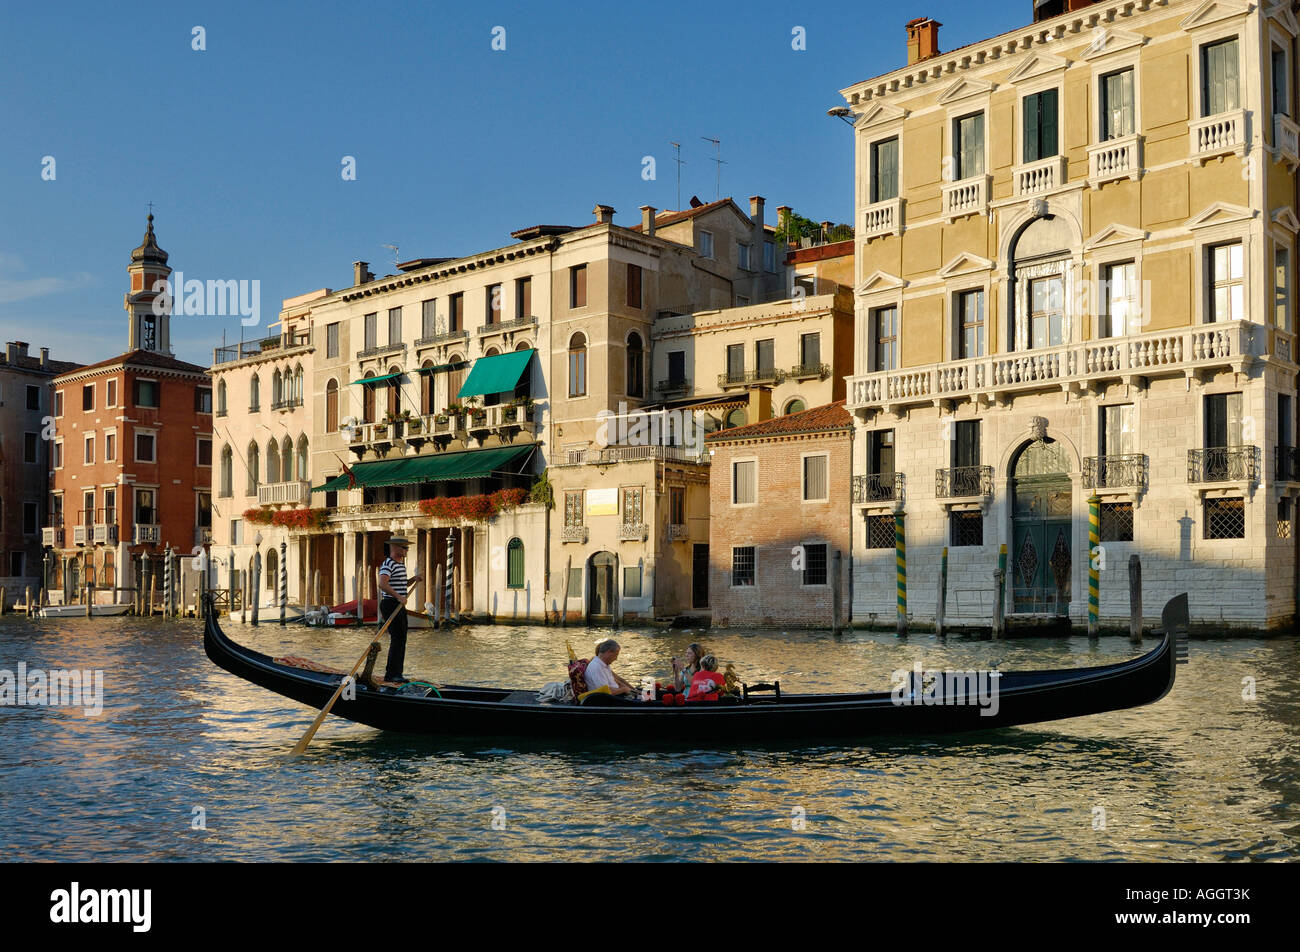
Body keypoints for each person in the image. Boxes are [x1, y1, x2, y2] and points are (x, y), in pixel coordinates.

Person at [377, 536, 422, 685]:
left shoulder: (400, 565)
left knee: (402, 639)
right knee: (397, 639)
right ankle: (391, 674)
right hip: (390, 604)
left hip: (398, 604)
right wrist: (398, 597)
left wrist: (413, 580)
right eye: (404, 547)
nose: (406, 550)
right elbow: (382, 584)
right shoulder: (388, 564)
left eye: (407, 548)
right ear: (395, 548)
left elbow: (401, 584)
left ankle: (397, 673)